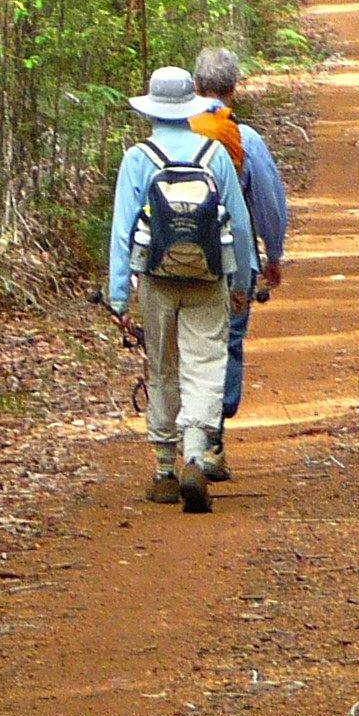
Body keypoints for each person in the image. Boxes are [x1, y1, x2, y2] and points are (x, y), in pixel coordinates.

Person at [107, 65, 258, 513]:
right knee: (206, 361)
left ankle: (163, 470)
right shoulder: (215, 152)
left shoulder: (139, 157)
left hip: (156, 278)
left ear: (152, 108)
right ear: (190, 103)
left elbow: (121, 228)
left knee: (162, 364)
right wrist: (243, 281)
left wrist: (119, 294)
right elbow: (241, 223)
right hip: (209, 277)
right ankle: (195, 453)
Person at [188, 45, 288, 483]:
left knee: (183, 346)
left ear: (196, 86)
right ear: (235, 89)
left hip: (174, 263)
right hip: (234, 262)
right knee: (226, 344)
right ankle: (212, 443)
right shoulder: (244, 140)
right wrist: (273, 254)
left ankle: (176, 448)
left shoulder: (171, 137)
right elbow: (268, 202)